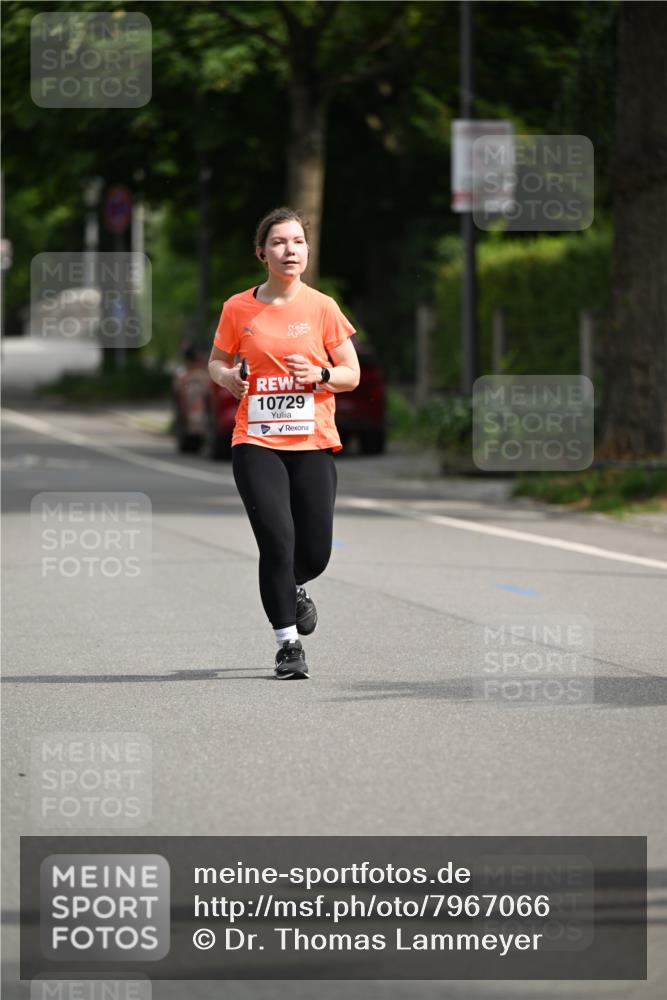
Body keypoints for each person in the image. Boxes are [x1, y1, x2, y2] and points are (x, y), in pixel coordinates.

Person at [208, 207, 360, 679]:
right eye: (279, 242)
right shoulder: (238, 308)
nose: (289, 250)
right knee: (277, 540)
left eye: (297, 242)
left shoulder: (323, 307)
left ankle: (292, 588)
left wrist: (320, 375)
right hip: (255, 440)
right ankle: (287, 646)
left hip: (312, 441)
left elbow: (350, 374)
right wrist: (228, 377)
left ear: (307, 251)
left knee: (313, 553)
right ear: (262, 252)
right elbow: (216, 363)